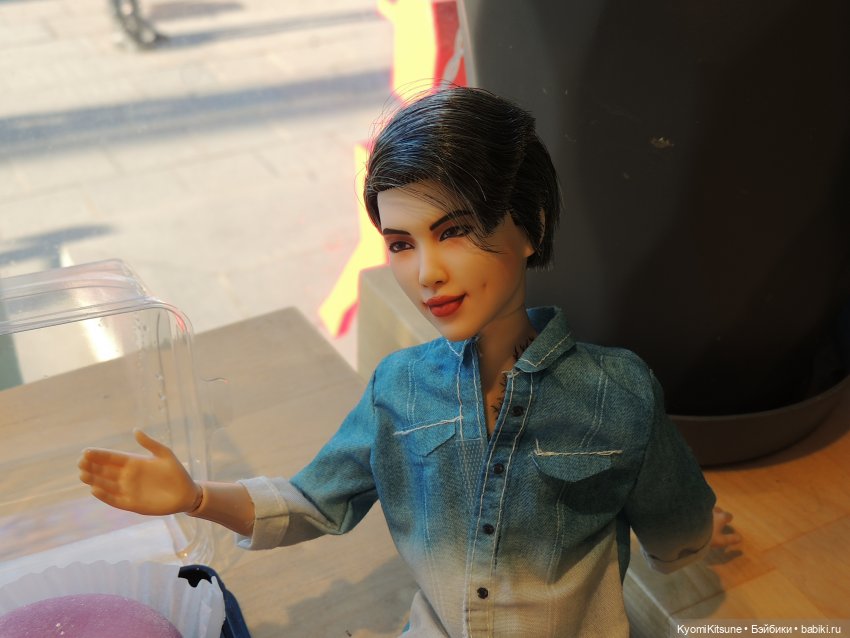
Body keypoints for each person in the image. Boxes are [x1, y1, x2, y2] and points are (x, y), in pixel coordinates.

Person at [79, 87, 741, 637]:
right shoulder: (400, 389)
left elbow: (676, 526)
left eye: (455, 232)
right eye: (401, 243)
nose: (427, 273)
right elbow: (315, 501)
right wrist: (197, 497)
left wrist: (695, 539)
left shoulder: (617, 391)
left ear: (531, 225)